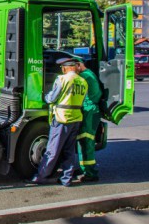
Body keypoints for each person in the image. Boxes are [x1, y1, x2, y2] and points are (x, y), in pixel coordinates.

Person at [29, 57, 88, 187]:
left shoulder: (62, 79)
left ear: (67, 67)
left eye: (62, 68)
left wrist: (44, 97)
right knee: (70, 150)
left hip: (62, 117)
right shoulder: (83, 81)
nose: (62, 70)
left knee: (52, 149)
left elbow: (52, 98)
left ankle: (41, 176)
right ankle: (67, 179)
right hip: (76, 117)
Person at [76, 59, 102, 182]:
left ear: (79, 65)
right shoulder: (89, 73)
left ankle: (90, 173)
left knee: (86, 142)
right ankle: (85, 168)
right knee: (84, 142)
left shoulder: (83, 76)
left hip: (89, 112)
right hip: (91, 110)